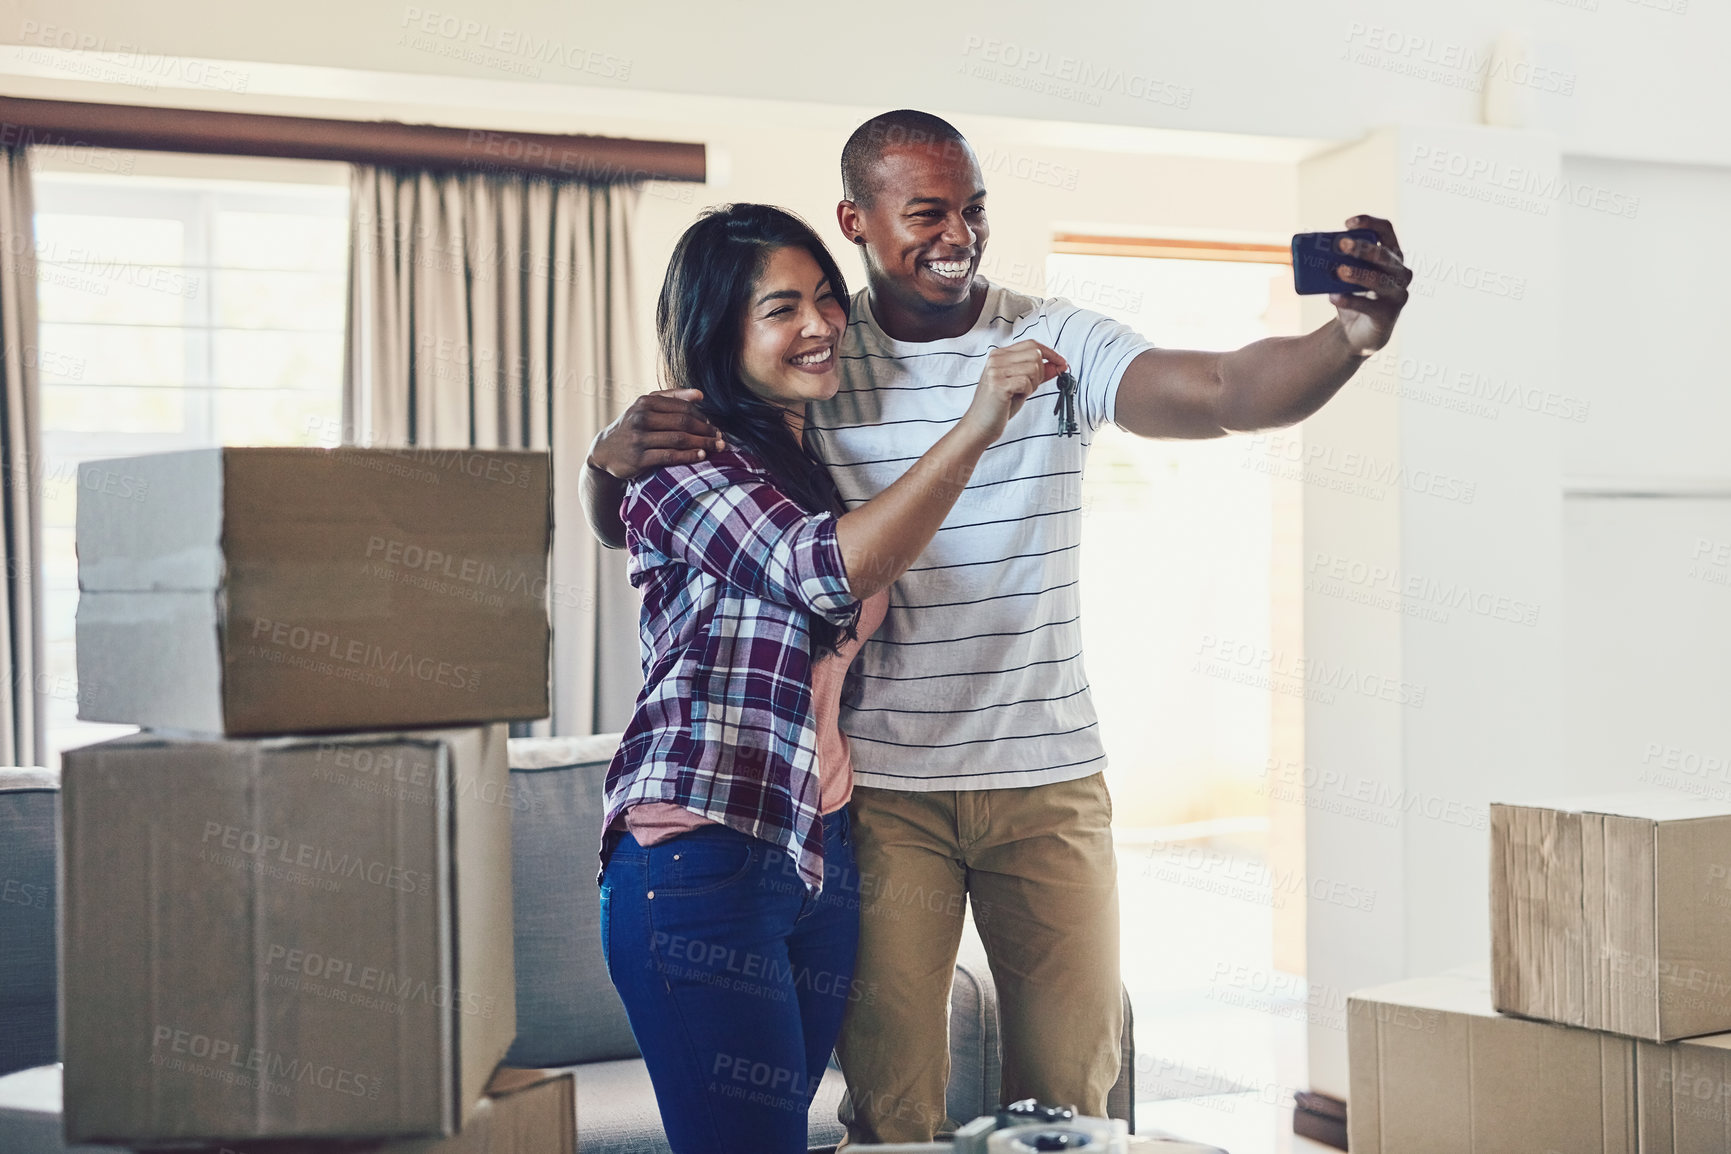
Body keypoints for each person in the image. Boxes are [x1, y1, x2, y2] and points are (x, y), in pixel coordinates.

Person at [584, 111, 1412, 1145]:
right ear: (858, 219)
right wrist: (602, 461)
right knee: (893, 1105)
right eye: (926, 212)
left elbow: (1225, 390)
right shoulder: (817, 364)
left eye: (973, 209)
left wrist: (1350, 335)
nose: (959, 234)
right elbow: (656, 512)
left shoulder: (1047, 342)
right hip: (879, 797)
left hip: (1046, 777)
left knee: (1073, 1097)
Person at [598, 201, 1065, 1154]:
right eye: (779, 310)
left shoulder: (807, 457)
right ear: (717, 332)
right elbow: (828, 568)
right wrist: (980, 421)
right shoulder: (684, 464)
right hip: (698, 852)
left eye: (824, 298)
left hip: (815, 853)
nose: (817, 326)